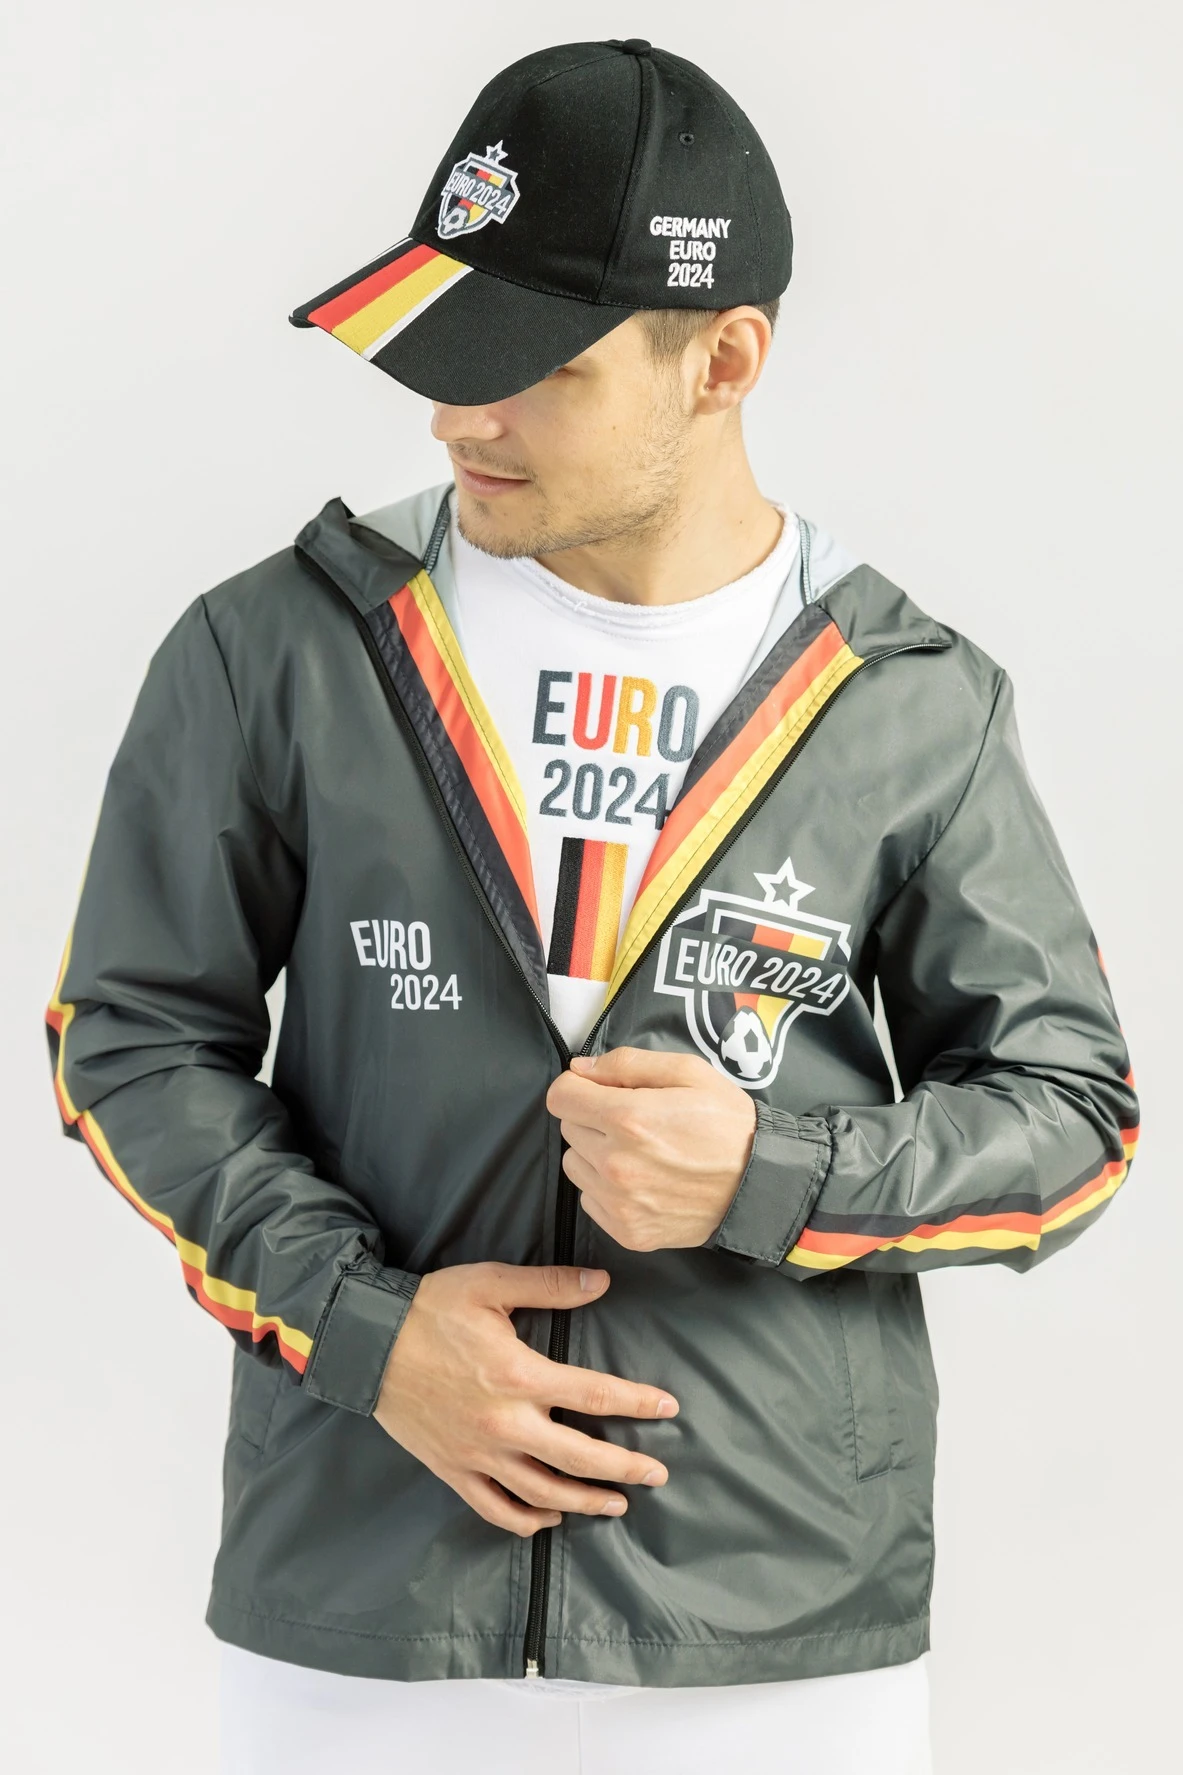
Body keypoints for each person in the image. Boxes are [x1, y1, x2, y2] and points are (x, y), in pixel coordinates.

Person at [44, 37, 1139, 1775]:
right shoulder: (279, 647)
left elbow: (1069, 1119)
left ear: (724, 360)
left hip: (776, 1651)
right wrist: (368, 1330)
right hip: (360, 1626)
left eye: (528, 368)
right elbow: (131, 1037)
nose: (454, 416)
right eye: (441, 351)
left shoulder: (906, 699)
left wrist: (774, 1169)